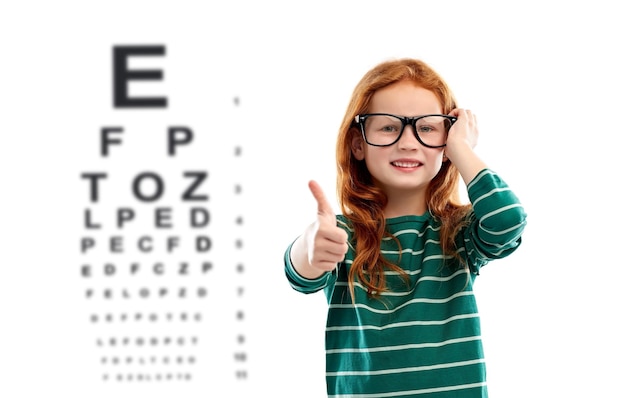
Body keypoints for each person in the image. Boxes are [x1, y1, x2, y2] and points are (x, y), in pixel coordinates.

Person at [283, 58, 527, 397]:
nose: (408, 142)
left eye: (427, 128)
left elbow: (508, 220)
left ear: (446, 142)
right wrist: (309, 247)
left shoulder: (458, 231)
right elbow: (300, 274)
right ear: (357, 144)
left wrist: (460, 149)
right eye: (387, 127)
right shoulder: (343, 235)